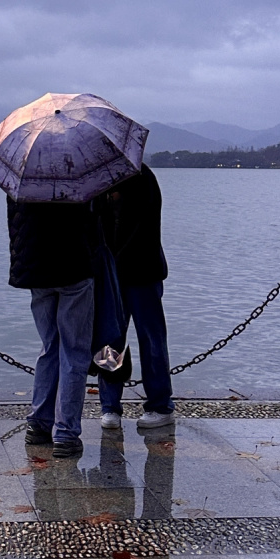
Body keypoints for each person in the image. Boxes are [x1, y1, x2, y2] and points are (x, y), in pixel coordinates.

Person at [6, 196, 98, 456]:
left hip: (35, 268)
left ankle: (38, 424)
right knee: (74, 351)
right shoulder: (79, 177)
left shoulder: (24, 176)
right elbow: (92, 222)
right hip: (74, 266)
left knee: (49, 346)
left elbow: (16, 224)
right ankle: (66, 433)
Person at [92, 163, 175, 430]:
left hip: (143, 273)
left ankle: (160, 405)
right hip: (111, 275)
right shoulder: (99, 180)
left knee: (151, 339)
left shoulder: (142, 177)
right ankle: (110, 406)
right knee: (110, 340)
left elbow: (145, 228)